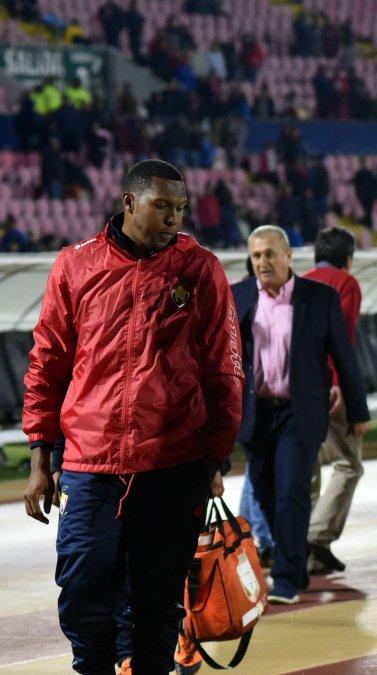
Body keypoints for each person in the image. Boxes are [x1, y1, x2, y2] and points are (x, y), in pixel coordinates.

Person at [22, 159, 243, 673]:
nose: (173, 219)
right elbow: (47, 361)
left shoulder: (200, 269)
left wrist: (214, 458)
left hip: (172, 464)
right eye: (162, 206)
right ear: (129, 203)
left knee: (154, 605)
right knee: (81, 588)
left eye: (181, 209)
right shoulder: (75, 266)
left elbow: (225, 372)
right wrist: (40, 455)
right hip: (89, 463)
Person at [232, 225, 371, 604]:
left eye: (270, 254)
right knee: (264, 494)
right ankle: (289, 553)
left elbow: (344, 355)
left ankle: (289, 577)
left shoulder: (318, 298)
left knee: (293, 491)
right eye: (257, 255)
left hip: (299, 413)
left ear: (289, 255)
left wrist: (358, 411)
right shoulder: (238, 296)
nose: (263, 262)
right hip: (257, 414)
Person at [304, 227, 365, 576]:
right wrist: (341, 383)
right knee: (348, 464)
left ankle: (307, 546)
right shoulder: (346, 283)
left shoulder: (299, 281)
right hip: (330, 385)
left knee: (309, 469)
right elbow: (342, 337)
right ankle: (318, 537)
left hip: (300, 389)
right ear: (348, 258)